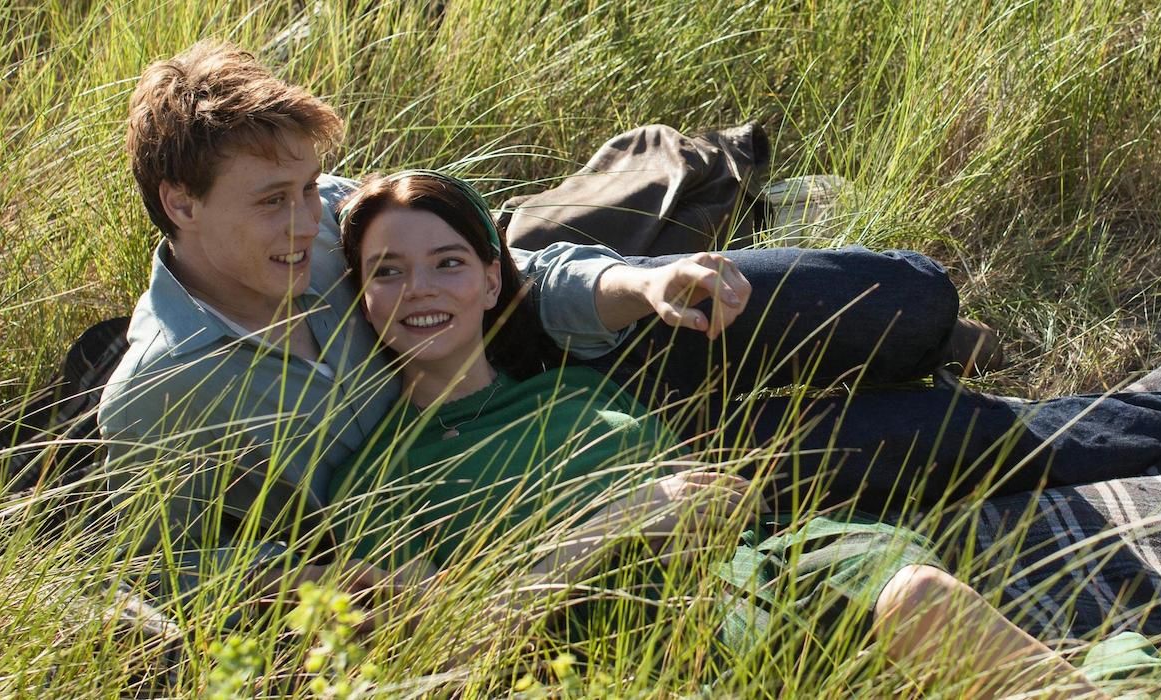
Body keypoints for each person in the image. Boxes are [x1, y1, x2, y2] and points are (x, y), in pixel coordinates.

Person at [97, 40, 963, 605]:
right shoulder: (161, 392)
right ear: (179, 202)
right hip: (487, 512)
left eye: (306, 189)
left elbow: (509, 275)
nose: (306, 220)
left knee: (909, 296)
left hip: (561, 374)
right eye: (270, 202)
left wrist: (640, 284)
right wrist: (335, 582)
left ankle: (937, 344)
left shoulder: (326, 215)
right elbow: (176, 571)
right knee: (894, 443)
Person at [328, 170, 1107, 698]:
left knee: (922, 594)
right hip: (648, 639)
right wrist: (616, 523)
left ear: (492, 278)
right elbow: (448, 644)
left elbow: (704, 497)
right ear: (359, 295)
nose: (420, 291)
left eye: (447, 263)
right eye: (388, 271)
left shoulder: (570, 386)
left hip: (765, 559)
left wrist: (709, 499)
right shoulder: (382, 472)